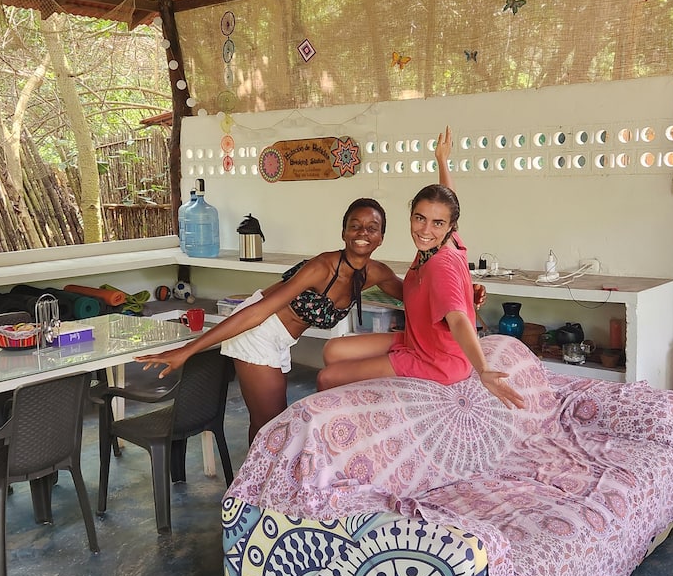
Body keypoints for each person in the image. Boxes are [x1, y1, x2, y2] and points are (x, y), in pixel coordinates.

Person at [138, 197, 404, 443]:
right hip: (257, 329)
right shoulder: (321, 267)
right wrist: (188, 350)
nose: (362, 233)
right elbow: (257, 312)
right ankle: (257, 477)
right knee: (272, 425)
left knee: (266, 423)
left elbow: (414, 297)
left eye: (372, 228)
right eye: (355, 226)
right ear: (344, 232)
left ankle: (254, 476)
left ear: (381, 237)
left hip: (280, 338)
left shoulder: (377, 273)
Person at [317, 128, 524, 410]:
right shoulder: (443, 241)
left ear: (449, 226)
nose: (425, 230)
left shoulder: (440, 266)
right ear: (412, 215)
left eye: (437, 223)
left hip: (437, 360)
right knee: (333, 350)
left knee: (327, 377)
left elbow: (458, 320)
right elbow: (447, 200)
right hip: (417, 339)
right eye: (420, 218)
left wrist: (483, 369)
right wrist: (442, 160)